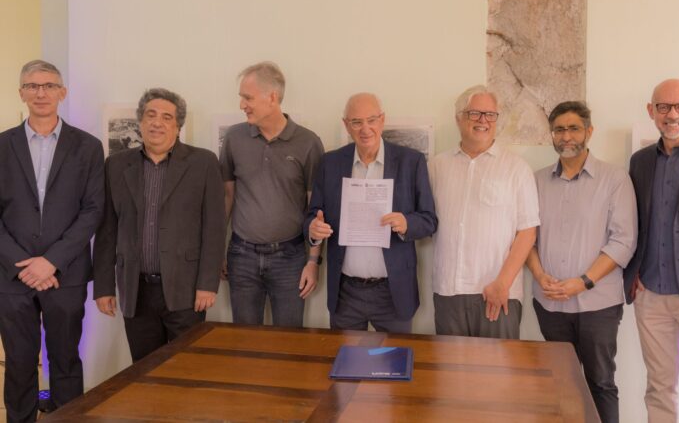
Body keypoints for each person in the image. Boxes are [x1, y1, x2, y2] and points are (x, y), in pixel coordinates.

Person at [0, 60, 104, 422]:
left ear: (62, 92)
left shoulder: (88, 147)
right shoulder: (2, 145)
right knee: (19, 363)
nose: (40, 93)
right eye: (32, 86)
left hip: (66, 274)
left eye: (48, 86)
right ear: (21, 93)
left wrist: (51, 261)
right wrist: (23, 265)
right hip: (12, 277)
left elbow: (92, 210)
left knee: (66, 361)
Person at [93, 88, 225, 362]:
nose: (157, 123)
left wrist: (207, 284)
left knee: (186, 369)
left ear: (178, 126)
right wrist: (103, 286)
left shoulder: (203, 163)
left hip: (186, 290)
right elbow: (107, 230)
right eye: (150, 115)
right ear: (140, 122)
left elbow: (214, 228)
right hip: (136, 290)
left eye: (167, 117)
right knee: (144, 370)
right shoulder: (116, 165)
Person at [527, 101, 637, 423]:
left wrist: (583, 282)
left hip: (598, 304)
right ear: (551, 134)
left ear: (589, 131)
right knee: (560, 384)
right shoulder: (536, 181)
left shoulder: (614, 179)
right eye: (559, 129)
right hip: (550, 303)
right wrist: (539, 275)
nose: (566, 136)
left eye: (574, 128)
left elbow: (623, 241)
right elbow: (526, 238)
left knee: (600, 383)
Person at [305, 93, 437, 333]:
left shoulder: (411, 162)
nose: (365, 129)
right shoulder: (330, 162)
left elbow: (429, 220)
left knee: (395, 356)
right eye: (356, 122)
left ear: (382, 120)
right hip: (345, 292)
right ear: (346, 125)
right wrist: (314, 229)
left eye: (371, 120)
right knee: (345, 356)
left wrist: (406, 222)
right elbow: (313, 214)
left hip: (393, 292)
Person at [429, 85, 539, 339]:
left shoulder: (516, 168)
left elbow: (527, 232)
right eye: (474, 113)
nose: (483, 121)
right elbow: (424, 220)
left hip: (498, 293)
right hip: (448, 292)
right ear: (459, 118)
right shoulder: (436, 166)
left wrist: (502, 283)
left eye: (490, 115)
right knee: (450, 366)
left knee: (498, 366)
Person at [220, 62, 324, 326]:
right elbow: (227, 197)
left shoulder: (308, 143)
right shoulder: (234, 138)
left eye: (248, 98)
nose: (242, 105)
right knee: (245, 341)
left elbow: (316, 209)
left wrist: (313, 261)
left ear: (272, 97)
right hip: (241, 256)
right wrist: (218, 250)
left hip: (290, 258)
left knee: (288, 342)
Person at [625, 78, 679, 422]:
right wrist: (634, 271)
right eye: (664, 107)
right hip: (651, 294)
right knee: (659, 388)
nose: (673, 115)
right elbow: (634, 220)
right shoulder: (639, 162)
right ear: (651, 111)